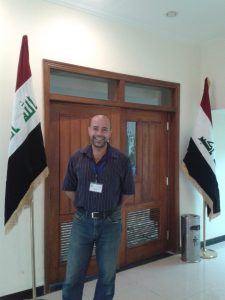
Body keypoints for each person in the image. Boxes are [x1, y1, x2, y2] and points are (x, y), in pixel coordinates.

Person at [62, 114, 135, 300]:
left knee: (107, 276)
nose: (99, 133)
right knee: (72, 277)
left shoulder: (122, 160)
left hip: (110, 223)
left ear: (110, 133)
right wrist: (85, 204)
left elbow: (126, 193)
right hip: (82, 222)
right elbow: (69, 189)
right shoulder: (77, 158)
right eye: (95, 128)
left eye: (104, 129)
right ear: (89, 130)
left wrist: (109, 208)